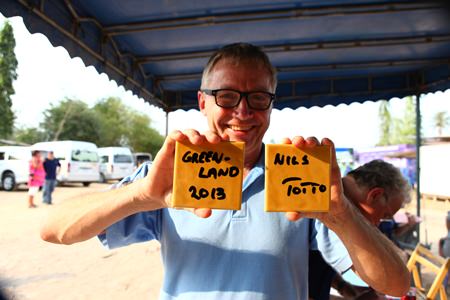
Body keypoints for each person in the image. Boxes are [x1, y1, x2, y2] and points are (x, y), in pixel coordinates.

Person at [40, 43, 409, 299]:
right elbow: (53, 229)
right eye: (227, 96)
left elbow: (395, 285)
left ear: (271, 104)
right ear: (202, 101)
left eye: (258, 98)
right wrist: (140, 195)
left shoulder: (299, 178)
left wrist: (341, 213)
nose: (243, 112)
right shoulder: (169, 175)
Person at [309, 159, 412, 300]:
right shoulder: (329, 205)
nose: (377, 224)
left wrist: (342, 286)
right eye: (383, 216)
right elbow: (396, 282)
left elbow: (312, 263)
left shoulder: (321, 195)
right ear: (375, 195)